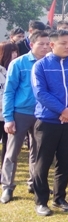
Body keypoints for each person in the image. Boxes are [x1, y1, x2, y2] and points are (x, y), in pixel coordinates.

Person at [31, 30, 68, 216]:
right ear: (52, 45)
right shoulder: (41, 66)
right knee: (43, 162)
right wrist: (62, 110)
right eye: (63, 43)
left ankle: (60, 197)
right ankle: (41, 201)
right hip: (48, 121)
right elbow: (40, 92)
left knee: (65, 161)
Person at [1, 31, 48, 204]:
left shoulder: (49, 64)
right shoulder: (19, 63)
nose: (45, 47)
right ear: (31, 44)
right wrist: (8, 117)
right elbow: (9, 91)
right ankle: (7, 186)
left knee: (37, 151)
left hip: (42, 114)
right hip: (20, 113)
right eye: (41, 44)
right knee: (12, 152)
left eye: (47, 44)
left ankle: (33, 182)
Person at [0, 42, 18, 165]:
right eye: (11, 51)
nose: (15, 54)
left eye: (16, 51)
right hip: (1, 111)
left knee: (9, 144)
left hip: (11, 114)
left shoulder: (15, 69)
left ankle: (4, 170)